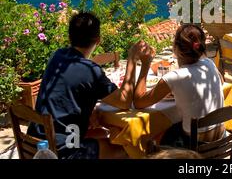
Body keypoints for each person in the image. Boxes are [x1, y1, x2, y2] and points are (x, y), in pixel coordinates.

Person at [27, 12, 155, 159]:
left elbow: (71, 90)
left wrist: (89, 108)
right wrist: (132, 58)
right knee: (127, 148)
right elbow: (125, 101)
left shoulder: (58, 55)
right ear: (98, 41)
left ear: (70, 37)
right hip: (64, 150)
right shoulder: (90, 70)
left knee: (102, 133)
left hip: (37, 143)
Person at [134, 24, 224, 148]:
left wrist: (146, 64)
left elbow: (139, 102)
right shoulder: (209, 63)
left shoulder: (175, 77)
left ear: (175, 48)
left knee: (151, 138)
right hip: (220, 134)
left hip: (195, 142)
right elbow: (221, 82)